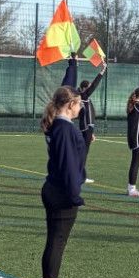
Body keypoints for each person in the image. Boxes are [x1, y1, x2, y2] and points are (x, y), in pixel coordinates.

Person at [40, 85, 86, 278]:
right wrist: (75, 195)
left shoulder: (57, 124)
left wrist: (73, 63)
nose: (81, 107)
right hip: (61, 193)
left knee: (54, 241)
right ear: (70, 105)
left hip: (53, 188)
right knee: (57, 242)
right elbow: (69, 167)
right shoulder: (65, 128)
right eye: (79, 103)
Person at [62, 53, 106, 183]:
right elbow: (94, 85)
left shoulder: (85, 98)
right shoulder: (83, 95)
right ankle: (79, 174)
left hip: (88, 129)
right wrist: (102, 71)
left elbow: (89, 114)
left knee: (83, 151)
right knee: (83, 152)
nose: (90, 89)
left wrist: (91, 132)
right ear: (84, 88)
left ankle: (77, 173)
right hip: (86, 128)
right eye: (88, 87)